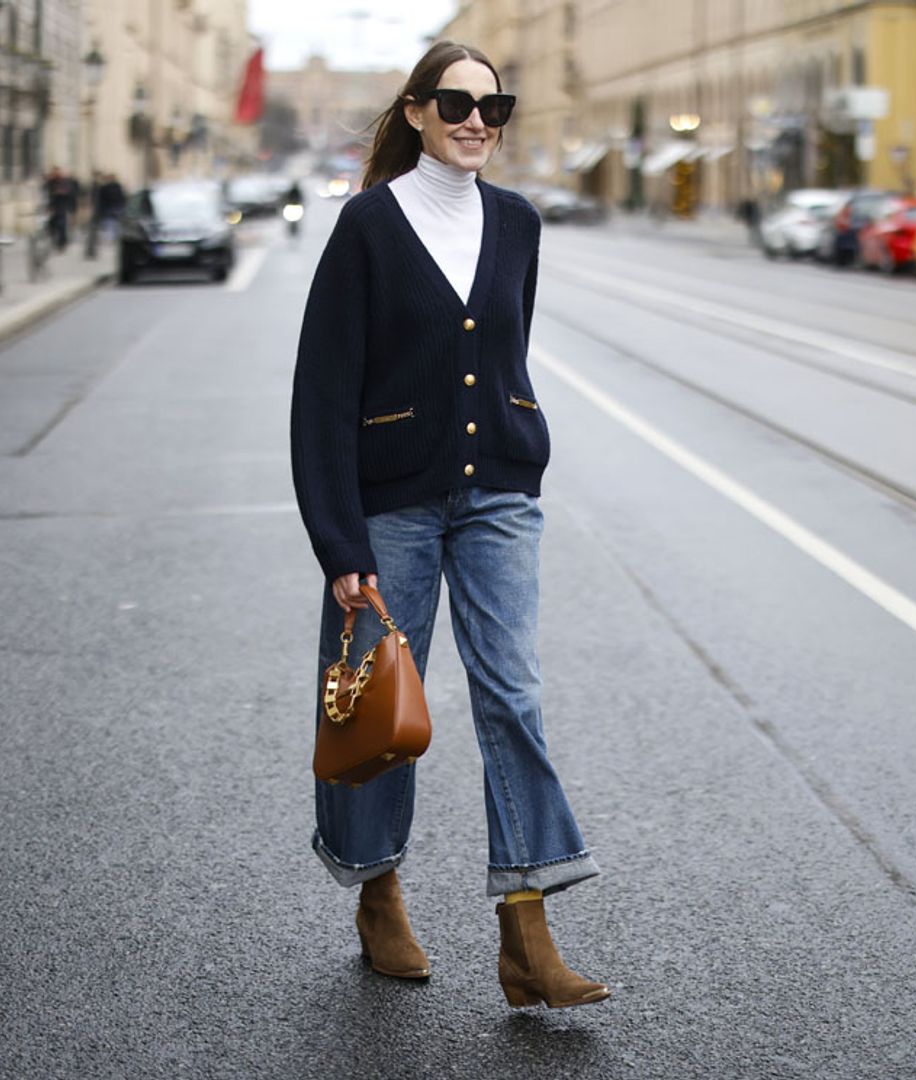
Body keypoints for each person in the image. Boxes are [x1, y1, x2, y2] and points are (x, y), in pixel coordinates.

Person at [291, 40, 609, 1010]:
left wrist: (518, 437)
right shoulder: (368, 228)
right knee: (379, 714)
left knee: (514, 692)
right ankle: (377, 886)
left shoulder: (518, 223)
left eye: (494, 105)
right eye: (459, 102)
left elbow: (501, 352)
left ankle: (527, 925)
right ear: (420, 111)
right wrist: (340, 545)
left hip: (499, 496)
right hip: (391, 501)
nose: (479, 120)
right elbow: (322, 396)